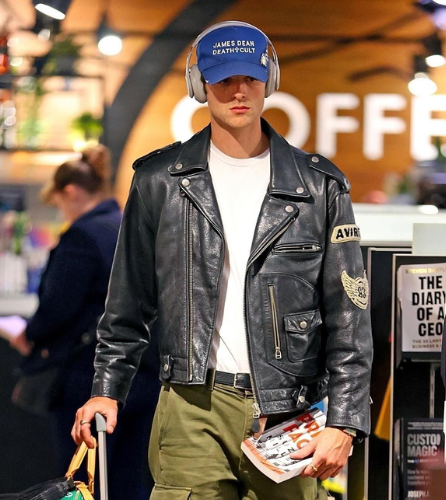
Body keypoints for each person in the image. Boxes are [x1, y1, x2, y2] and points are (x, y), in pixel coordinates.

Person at [73, 21, 373, 500]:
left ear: (269, 81)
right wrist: (106, 388)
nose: (238, 92)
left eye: (250, 79)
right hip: (191, 410)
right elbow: (127, 303)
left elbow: (349, 318)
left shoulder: (319, 187)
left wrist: (346, 420)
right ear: (199, 85)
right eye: (223, 79)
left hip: (291, 416)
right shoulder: (159, 181)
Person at [10, 145, 159, 500]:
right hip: (144, 372)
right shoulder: (128, 225)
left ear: (71, 192)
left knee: (83, 480)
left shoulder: (83, 236)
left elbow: (56, 308)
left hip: (91, 376)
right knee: (131, 479)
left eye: (58, 201)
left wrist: (28, 334)